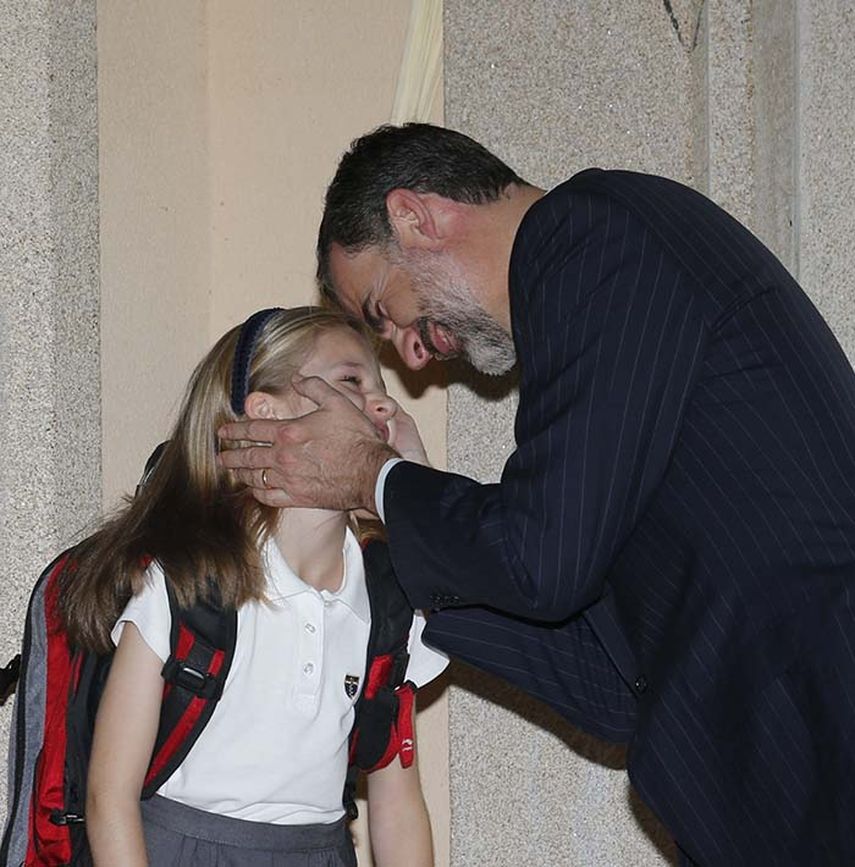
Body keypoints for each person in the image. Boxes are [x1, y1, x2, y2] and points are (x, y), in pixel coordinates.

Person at [218, 124, 855, 866]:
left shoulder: (592, 239)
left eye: (382, 313)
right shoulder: (582, 300)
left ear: (414, 217)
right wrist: (399, 520)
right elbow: (611, 682)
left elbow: (541, 559)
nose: (411, 352)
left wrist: (373, 477)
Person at [67, 306, 446, 866]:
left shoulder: (389, 599)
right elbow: (109, 797)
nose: (382, 402)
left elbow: (397, 803)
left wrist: (424, 508)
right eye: (351, 382)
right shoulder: (190, 582)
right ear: (268, 417)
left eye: (380, 387)